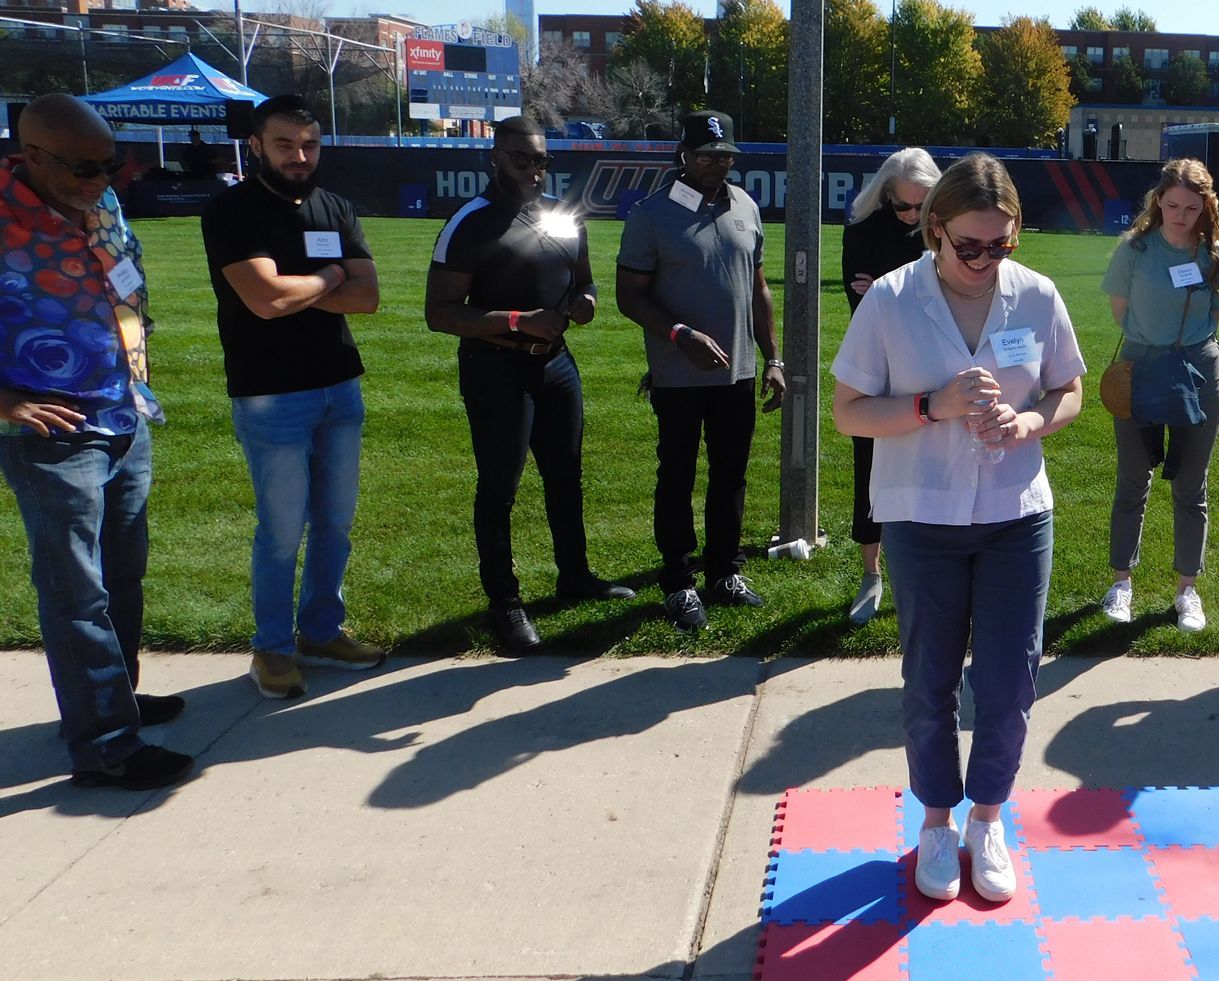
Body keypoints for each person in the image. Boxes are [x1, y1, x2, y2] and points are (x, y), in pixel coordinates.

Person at [831, 153, 1086, 904]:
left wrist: (1032, 419)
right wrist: (928, 407)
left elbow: (1068, 388)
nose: (983, 260)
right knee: (930, 680)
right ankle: (936, 823)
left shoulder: (1036, 295)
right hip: (921, 512)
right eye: (968, 245)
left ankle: (988, 819)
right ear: (933, 229)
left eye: (1000, 244)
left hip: (1015, 512)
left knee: (1010, 683)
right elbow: (848, 410)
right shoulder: (891, 299)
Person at [0, 95, 191, 790]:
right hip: (53, 432)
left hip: (124, 411)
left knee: (121, 576)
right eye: (86, 168)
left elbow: (122, 282)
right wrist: (9, 401)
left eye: (112, 164)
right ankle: (106, 747)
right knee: (75, 591)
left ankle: (116, 701)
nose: (101, 179)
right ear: (34, 156)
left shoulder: (101, 202)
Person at [201, 95, 387, 699]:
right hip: (271, 395)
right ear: (255, 145)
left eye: (309, 144)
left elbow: (367, 298)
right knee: (281, 531)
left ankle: (322, 630)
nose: (300, 156)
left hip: (339, 383)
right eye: (285, 144)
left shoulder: (335, 208)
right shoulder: (233, 211)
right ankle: (273, 648)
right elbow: (265, 301)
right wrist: (330, 278)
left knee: (335, 523)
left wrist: (303, 285)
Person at [426, 117, 634, 654]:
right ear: (494, 157)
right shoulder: (471, 222)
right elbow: (440, 313)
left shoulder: (563, 215)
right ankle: (505, 602)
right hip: (497, 366)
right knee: (500, 485)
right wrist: (518, 320)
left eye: (541, 159)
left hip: (556, 363)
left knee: (566, 475)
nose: (534, 169)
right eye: (521, 158)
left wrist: (585, 302)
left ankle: (575, 575)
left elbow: (583, 280)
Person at [616, 111, 785, 632]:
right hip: (679, 374)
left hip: (738, 371)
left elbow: (758, 289)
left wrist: (773, 358)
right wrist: (679, 335)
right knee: (678, 477)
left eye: (727, 156)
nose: (719, 164)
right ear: (684, 156)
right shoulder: (650, 214)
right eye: (709, 155)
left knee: (730, 475)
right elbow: (629, 297)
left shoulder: (746, 206)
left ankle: (723, 572)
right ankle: (677, 581)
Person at [1100, 159, 1219, 632]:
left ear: (1206, 207)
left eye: (1191, 207)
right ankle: (1121, 582)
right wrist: (1155, 349)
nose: (1180, 215)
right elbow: (1122, 313)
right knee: (1133, 480)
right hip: (1138, 370)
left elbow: (1215, 317)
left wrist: (1183, 351)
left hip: (1198, 371)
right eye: (1172, 204)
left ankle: (1187, 590)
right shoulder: (1135, 250)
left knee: (1191, 486)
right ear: (1158, 201)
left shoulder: (1216, 257)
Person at [840, 146, 940, 623]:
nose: (913, 216)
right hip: (878, 368)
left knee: (931, 461)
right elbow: (863, 308)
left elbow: (946, 297)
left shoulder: (941, 229)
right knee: (871, 466)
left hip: (936, 366)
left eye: (923, 205)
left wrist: (883, 286)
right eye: (903, 206)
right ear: (884, 197)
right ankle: (871, 571)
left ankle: (921, 568)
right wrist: (898, 293)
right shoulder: (862, 229)